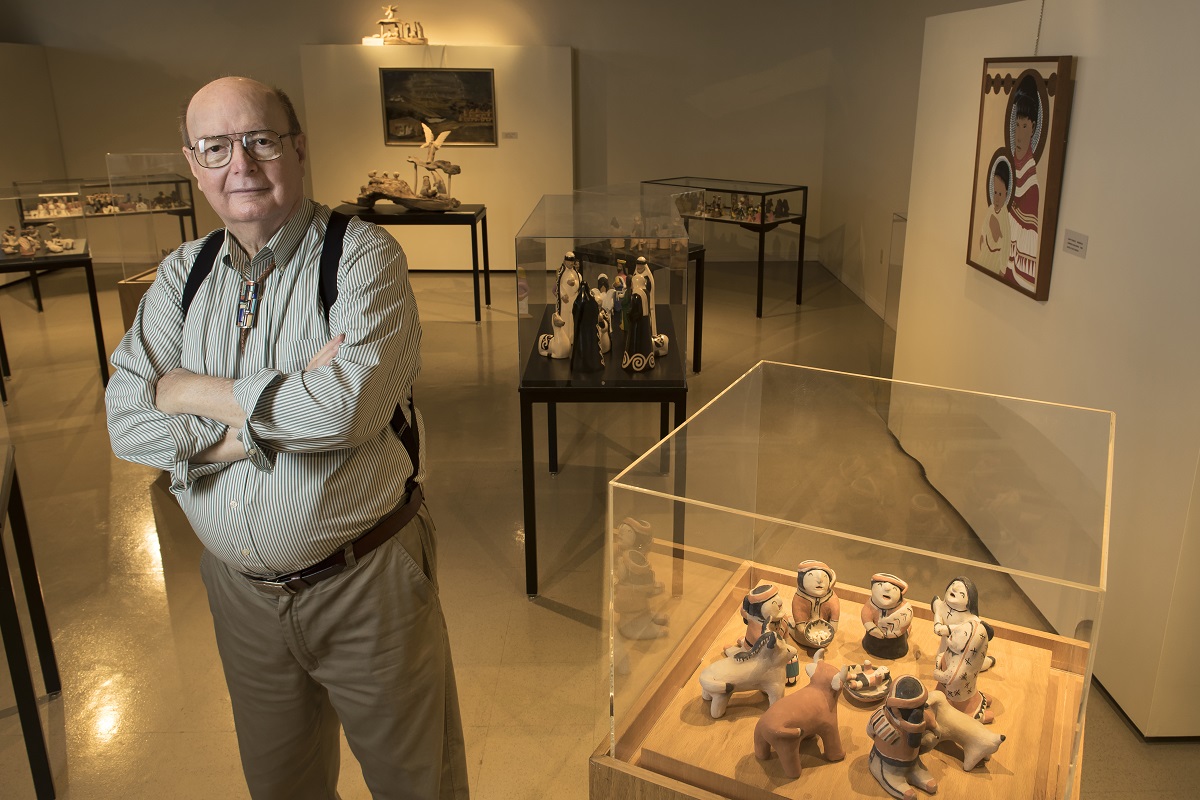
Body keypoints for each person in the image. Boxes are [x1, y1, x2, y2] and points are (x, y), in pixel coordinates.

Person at [105, 76, 468, 800]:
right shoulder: (183, 274)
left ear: (297, 148)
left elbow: (342, 413)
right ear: (193, 163)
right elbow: (126, 423)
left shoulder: (362, 259)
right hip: (240, 598)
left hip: (364, 582)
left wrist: (185, 391)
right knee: (282, 787)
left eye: (260, 140)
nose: (239, 165)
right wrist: (273, 408)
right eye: (215, 148)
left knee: (415, 784)